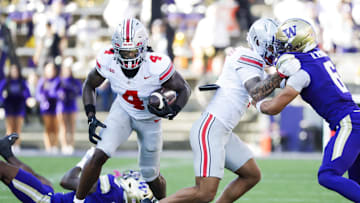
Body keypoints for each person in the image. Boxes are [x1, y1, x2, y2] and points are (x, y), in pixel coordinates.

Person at [159, 18, 282, 203]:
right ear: (259, 43)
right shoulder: (249, 58)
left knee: (251, 175)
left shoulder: (255, 64)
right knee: (204, 193)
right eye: (273, 46)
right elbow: (256, 91)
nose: (277, 51)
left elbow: (265, 91)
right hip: (211, 128)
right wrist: (282, 74)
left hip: (223, 130)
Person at [74, 17, 191, 203]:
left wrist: (173, 110)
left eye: (133, 51)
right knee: (98, 155)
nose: (128, 56)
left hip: (149, 118)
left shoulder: (156, 64)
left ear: (143, 47)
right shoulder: (107, 59)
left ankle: (163, 201)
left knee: (150, 174)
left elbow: (184, 89)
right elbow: (89, 84)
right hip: (123, 110)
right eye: (124, 52)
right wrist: (90, 115)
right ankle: (77, 201)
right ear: (115, 49)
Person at [254, 18, 360, 202]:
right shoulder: (317, 55)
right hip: (354, 119)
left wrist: (255, 102)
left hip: (349, 124)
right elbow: (283, 82)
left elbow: (273, 108)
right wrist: (270, 81)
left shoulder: (302, 72)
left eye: (284, 45)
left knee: (327, 175)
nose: (281, 50)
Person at [0, 133, 157, 203]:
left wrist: (85, 161)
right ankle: (7, 152)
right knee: (42, 181)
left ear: (131, 190)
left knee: (3, 170)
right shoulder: (117, 198)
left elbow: (66, 181)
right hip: (55, 197)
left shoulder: (109, 189)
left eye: (135, 180)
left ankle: (7, 157)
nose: (132, 176)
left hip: (46, 201)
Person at [0, 64, 31, 152]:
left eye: (16, 71)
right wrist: (3, 99)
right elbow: (0, 94)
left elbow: (27, 93)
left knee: (18, 127)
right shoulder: (6, 82)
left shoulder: (22, 82)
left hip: (19, 107)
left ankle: (17, 144)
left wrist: (27, 99)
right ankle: (9, 145)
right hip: (9, 107)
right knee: (10, 127)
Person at [57, 58, 82, 155]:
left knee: (71, 127)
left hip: (71, 105)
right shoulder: (59, 80)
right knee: (63, 126)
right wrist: (60, 94)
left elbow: (79, 92)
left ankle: (71, 145)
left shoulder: (74, 81)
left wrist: (72, 90)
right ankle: (64, 145)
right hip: (62, 106)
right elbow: (53, 91)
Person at [35, 60, 61, 153]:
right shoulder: (43, 81)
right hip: (46, 108)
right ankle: (48, 146)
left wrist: (54, 94)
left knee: (55, 127)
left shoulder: (57, 80)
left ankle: (54, 146)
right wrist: (43, 98)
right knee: (48, 128)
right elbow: (37, 94)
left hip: (56, 107)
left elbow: (58, 92)